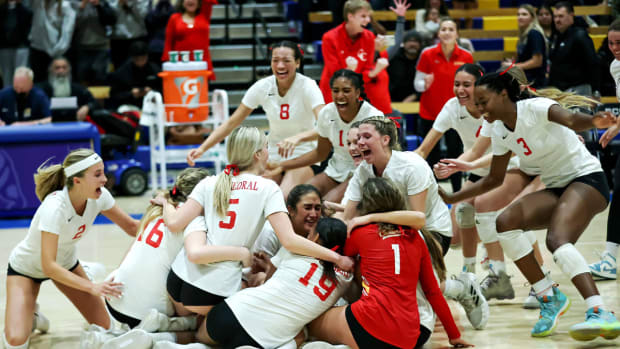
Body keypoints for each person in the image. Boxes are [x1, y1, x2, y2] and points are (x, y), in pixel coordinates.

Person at [439, 70, 620, 341]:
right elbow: (494, 179)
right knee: (505, 223)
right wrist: (452, 198)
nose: (479, 109)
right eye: (476, 104)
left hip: (588, 180)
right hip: (556, 187)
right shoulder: (500, 129)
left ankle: (599, 310)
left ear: (503, 94)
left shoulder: (536, 107)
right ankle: (549, 297)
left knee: (557, 240)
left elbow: (571, 119)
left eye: (483, 101)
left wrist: (595, 120)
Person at [159, 127, 353, 317]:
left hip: (176, 279)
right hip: (211, 289)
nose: (269, 153)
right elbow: (290, 240)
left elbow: (174, 223)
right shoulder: (268, 188)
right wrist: (336, 258)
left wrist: (166, 202)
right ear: (257, 154)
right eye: (267, 147)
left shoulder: (209, 181)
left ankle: (176, 329)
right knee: (257, 304)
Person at [342, 117, 489, 330]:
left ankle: (461, 288)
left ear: (385, 140)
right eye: (357, 139)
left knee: (413, 280)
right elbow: (348, 217)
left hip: (432, 230)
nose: (359, 144)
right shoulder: (364, 171)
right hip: (392, 231)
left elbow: (418, 219)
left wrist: (370, 218)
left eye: (366, 137)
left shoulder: (411, 165)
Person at [309, 177, 473, 349]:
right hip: (411, 335)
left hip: (370, 323)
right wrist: (454, 336)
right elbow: (433, 292)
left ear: (365, 206)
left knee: (311, 326)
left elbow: (342, 259)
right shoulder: (417, 237)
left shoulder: (359, 233)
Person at [2, 148, 139, 349]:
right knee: (15, 343)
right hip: (27, 269)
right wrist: (92, 287)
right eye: (97, 174)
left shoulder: (100, 196)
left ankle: (87, 271)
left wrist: (167, 215)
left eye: (103, 172)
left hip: (66, 264)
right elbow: (48, 266)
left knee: (106, 328)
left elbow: (133, 227)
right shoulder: (54, 208)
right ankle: (34, 317)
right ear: (77, 180)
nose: (104, 179)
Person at [80, 168, 210, 349]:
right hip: (143, 310)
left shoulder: (158, 210)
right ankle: (154, 335)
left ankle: (112, 337)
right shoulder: (193, 223)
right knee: (205, 330)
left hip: (115, 298)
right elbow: (178, 286)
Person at [187, 41, 325, 198]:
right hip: (272, 156)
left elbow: (326, 125)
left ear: (298, 62)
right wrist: (202, 148)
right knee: (250, 195)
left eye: (286, 61)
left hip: (304, 155)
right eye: (275, 60)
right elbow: (232, 122)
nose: (280, 66)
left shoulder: (308, 86)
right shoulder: (263, 86)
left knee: (282, 196)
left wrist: (298, 138)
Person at [196, 217, 352, 349]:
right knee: (299, 335)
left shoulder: (295, 250)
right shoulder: (346, 278)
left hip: (233, 312)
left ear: (316, 238)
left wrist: (267, 270)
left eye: (310, 234)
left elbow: (269, 280)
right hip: (265, 339)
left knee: (198, 340)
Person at [266, 69, 383, 203]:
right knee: (299, 199)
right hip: (335, 171)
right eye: (335, 90)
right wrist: (282, 165)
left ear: (357, 92)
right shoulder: (327, 113)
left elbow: (378, 158)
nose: (340, 95)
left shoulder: (373, 117)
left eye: (346, 91)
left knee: (327, 203)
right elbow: (320, 154)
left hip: (364, 171)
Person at [415, 18, 473, 192]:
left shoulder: (466, 56)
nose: (447, 32)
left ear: (457, 33)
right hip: (429, 112)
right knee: (431, 155)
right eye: (443, 29)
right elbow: (416, 83)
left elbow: (472, 83)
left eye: (450, 29)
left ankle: (457, 192)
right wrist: (423, 85)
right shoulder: (427, 54)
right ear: (438, 33)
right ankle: (433, 192)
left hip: (457, 113)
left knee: (455, 154)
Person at [319, 0, 392, 114]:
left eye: (368, 16)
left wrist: (374, 71)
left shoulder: (369, 37)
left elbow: (366, 69)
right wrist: (349, 70)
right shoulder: (329, 38)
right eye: (363, 16)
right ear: (350, 16)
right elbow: (333, 71)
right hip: (333, 91)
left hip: (355, 92)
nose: (368, 20)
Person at [589, 20, 620, 280]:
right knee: (618, 192)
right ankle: (609, 259)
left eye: (619, 43)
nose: (614, 48)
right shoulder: (615, 66)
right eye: (611, 43)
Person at [548, 2, 599, 96]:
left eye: (561, 16)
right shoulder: (557, 37)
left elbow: (593, 63)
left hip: (578, 90)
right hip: (560, 91)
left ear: (571, 16)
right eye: (555, 17)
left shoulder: (580, 35)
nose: (557, 20)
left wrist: (595, 91)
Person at [162, 0, 217, 79]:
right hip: (180, 65)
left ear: (199, 3)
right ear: (182, 2)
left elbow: (211, 1)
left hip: (201, 64)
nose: (190, 1)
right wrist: (167, 62)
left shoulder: (204, 15)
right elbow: (168, 42)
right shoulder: (174, 18)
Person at [70, 0, 117, 85]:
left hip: (101, 45)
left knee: (100, 76)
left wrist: (98, 6)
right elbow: (72, 24)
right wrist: (82, 7)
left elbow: (111, 21)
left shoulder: (104, 3)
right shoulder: (74, 3)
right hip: (81, 45)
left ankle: (100, 97)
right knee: (82, 76)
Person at [38, 57, 100, 122]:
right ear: (50, 70)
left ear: (69, 70)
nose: (61, 71)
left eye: (64, 67)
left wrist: (87, 107)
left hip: (75, 124)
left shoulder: (78, 88)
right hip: (48, 125)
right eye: (57, 68)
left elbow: (94, 103)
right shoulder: (41, 89)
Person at [29, 0, 76, 83]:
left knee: (61, 79)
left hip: (59, 49)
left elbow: (68, 31)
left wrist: (58, 50)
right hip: (38, 49)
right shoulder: (38, 3)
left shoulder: (65, 5)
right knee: (39, 81)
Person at [387, 0, 423, 103]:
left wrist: (414, 96)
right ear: (404, 43)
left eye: (416, 41)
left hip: (417, 100)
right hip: (392, 100)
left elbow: (428, 83)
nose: (412, 44)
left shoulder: (423, 58)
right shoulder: (394, 57)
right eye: (409, 41)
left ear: (420, 45)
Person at [108, 41, 161, 110]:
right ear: (132, 58)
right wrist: (131, 94)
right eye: (137, 59)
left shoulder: (154, 69)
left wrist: (152, 92)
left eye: (143, 59)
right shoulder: (122, 72)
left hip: (151, 104)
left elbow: (162, 89)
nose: (140, 62)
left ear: (147, 56)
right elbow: (114, 95)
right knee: (123, 109)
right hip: (131, 105)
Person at [510, 4, 547, 88]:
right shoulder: (524, 35)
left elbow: (537, 61)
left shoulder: (534, 33)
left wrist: (515, 66)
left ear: (532, 18)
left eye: (524, 14)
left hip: (535, 82)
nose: (520, 17)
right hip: (527, 80)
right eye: (518, 14)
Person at [0, 0, 32, 88]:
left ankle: (21, 91)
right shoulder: (2, 10)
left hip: (21, 47)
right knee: (6, 74)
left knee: (21, 72)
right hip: (4, 47)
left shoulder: (26, 11)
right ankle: (7, 96)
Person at [108, 0, 148, 69]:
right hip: (118, 39)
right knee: (119, 68)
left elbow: (144, 16)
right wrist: (119, 4)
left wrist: (130, 4)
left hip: (138, 37)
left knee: (140, 67)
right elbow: (108, 17)